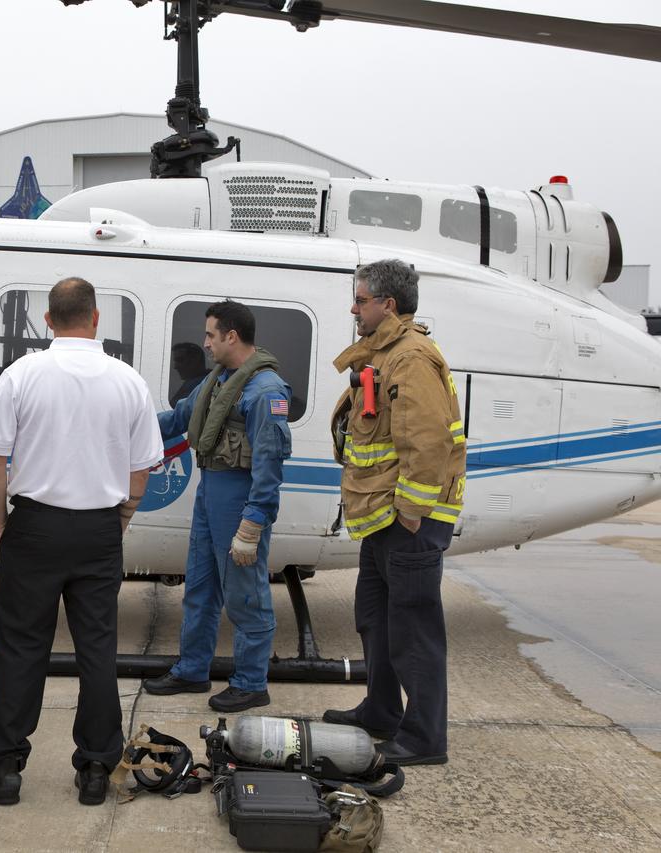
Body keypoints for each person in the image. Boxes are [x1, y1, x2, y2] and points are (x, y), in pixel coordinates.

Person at [0, 277, 162, 807]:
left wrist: (2, 525)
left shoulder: (22, 374)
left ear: (48, 321)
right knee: (97, 650)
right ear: (96, 320)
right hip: (98, 529)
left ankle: (3, 769)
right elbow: (142, 465)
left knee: (21, 647)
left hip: (34, 526)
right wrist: (119, 520)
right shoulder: (127, 381)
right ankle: (96, 769)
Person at [323, 259, 466, 767]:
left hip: (408, 521)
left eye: (361, 300)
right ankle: (381, 711)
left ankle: (424, 738)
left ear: (388, 304)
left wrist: (411, 511)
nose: (354, 308)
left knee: (413, 631)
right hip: (382, 518)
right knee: (376, 622)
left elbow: (427, 441)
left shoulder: (411, 358)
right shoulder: (386, 354)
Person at [143, 300, 292, 713]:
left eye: (211, 335)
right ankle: (192, 669)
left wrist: (253, 524)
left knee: (245, 594)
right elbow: (178, 419)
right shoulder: (218, 383)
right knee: (201, 588)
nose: (205, 343)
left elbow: (269, 465)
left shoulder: (265, 391)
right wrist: (125, 420)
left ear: (231, 336)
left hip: (239, 500)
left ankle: (250, 682)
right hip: (210, 493)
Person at [169, 341, 208, 407]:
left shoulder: (199, 385)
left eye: (180, 360)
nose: (175, 366)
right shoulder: (193, 382)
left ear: (195, 361)